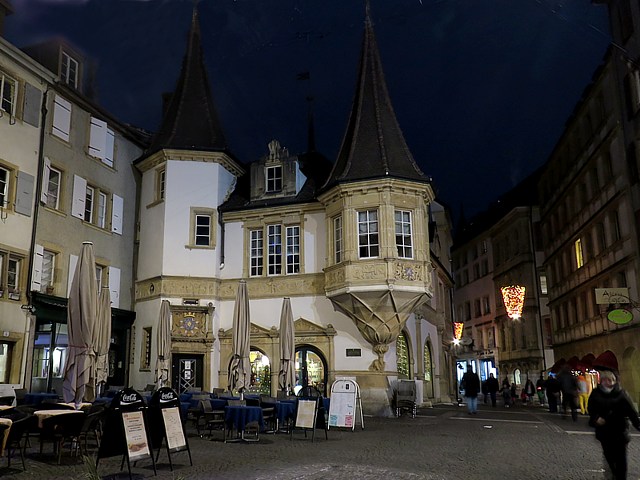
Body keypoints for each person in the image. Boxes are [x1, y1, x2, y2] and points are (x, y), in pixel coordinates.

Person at [588, 370, 640, 480]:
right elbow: (591, 409)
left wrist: (638, 425)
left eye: (610, 380)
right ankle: (614, 473)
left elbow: (632, 412)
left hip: (619, 430)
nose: (607, 382)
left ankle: (620, 477)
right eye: (604, 380)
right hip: (604, 432)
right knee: (609, 457)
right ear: (601, 381)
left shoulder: (622, 394)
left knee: (621, 459)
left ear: (614, 381)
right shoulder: (595, 393)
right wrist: (596, 418)